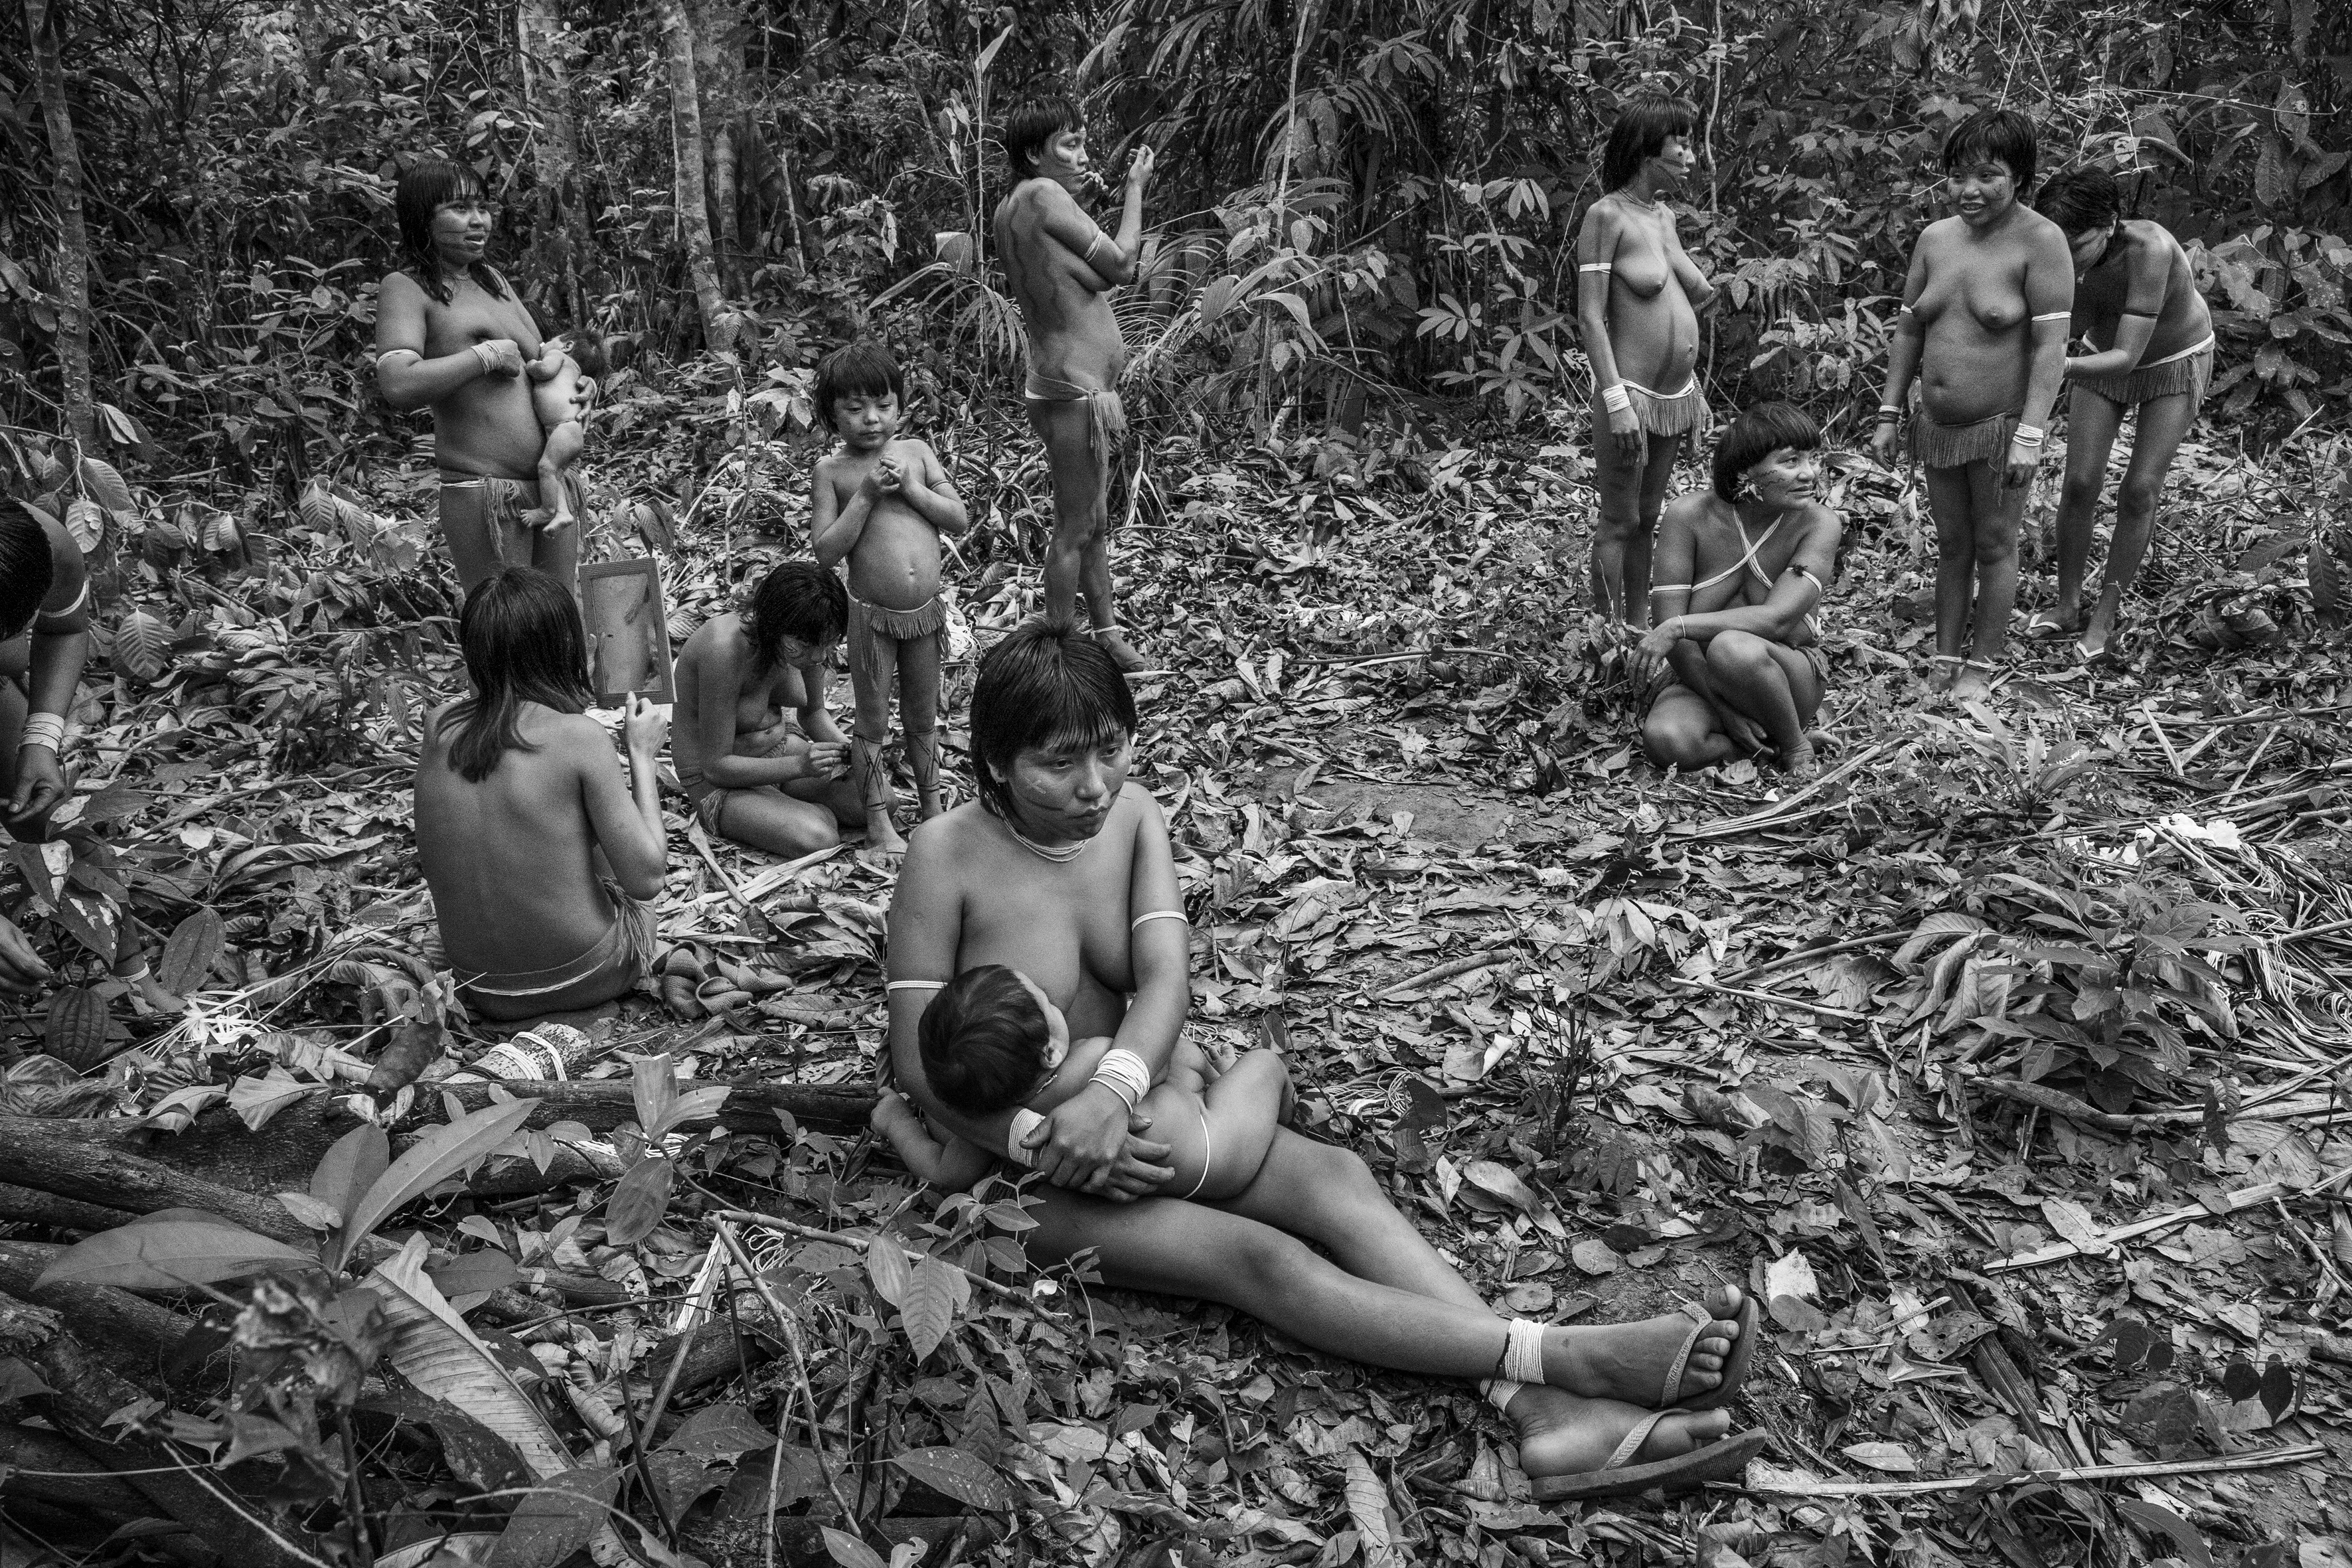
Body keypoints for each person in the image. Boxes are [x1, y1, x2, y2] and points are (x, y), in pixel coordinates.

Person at [884, 621, 1769, 1500]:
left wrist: (1113, 1093)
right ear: (996, 762)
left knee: (1336, 1179)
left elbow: (1163, 981)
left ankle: (1549, 1416)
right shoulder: (944, 855)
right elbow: (919, 1065)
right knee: (1261, 1261)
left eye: (1109, 750)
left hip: (1141, 1111)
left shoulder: (1132, 812)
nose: (1091, 785)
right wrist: (1043, 1138)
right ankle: (1556, 1360)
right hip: (1017, 1172)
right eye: (1056, 764)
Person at [1871, 109, 2073, 704]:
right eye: (1958, 176)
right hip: (1935, 427)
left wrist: (2030, 434)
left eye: (1987, 175)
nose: (1969, 190)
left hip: (1999, 426)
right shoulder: (1935, 239)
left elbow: (2050, 345)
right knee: (1952, 543)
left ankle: (1980, 665)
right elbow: (1909, 331)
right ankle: (1944, 652)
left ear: (2019, 177)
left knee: (1993, 543)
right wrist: (1887, 413)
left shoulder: (2041, 241)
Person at [414, 568, 667, 1023]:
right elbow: (646, 881)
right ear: (563, 646)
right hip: (586, 976)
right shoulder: (579, 737)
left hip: (483, 989)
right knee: (622, 857)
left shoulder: (440, 725)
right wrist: (641, 755)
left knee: (558, 820)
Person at [874, 963, 1293, 1198]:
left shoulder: (992, 1126)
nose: (1056, 1002)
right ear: (1050, 1053)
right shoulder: (1093, 1059)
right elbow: (1162, 1066)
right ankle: (1284, 1116)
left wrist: (896, 1121)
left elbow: (944, 1174)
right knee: (1263, 1064)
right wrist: (1213, 1075)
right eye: (1046, 1000)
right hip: (1217, 1146)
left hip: (1171, 1182)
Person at [992, 92, 1156, 673]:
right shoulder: (1042, 194)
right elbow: (1122, 266)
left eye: (1083, 141)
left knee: (1093, 523)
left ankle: (1106, 634)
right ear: (1035, 154)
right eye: (1071, 143)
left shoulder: (1015, 205)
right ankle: (1057, 661)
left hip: (1060, 382)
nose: (1083, 154)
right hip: (1074, 390)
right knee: (1073, 529)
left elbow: (1085, 279)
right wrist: (1135, 187)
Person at [2026, 166, 2216, 661]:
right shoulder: (2055, 251)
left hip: (2171, 361)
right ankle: (2067, 604)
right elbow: (2056, 326)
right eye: (2057, 243)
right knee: (2080, 482)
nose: (2064, 256)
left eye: (2077, 244)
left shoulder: (2148, 249)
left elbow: (2126, 359)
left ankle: (2104, 616)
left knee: (2138, 490)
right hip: (2097, 354)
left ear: (2109, 224)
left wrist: (2054, 367)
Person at [374, 158, 584, 595]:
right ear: (423, 219)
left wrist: (578, 380)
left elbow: (539, 361)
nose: (478, 221)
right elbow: (397, 382)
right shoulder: (406, 287)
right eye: (459, 208)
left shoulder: (493, 281)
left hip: (550, 488)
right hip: (486, 492)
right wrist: (484, 356)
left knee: (560, 622)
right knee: (506, 631)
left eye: (482, 207)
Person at [809, 341, 969, 856]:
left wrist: (912, 492)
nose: (871, 419)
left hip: (924, 615)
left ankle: (931, 811)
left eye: (882, 405)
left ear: (901, 405)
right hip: (871, 618)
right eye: (854, 410)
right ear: (831, 417)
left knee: (923, 717)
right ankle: (879, 824)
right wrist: (866, 496)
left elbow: (957, 518)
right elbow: (825, 553)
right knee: (872, 720)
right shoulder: (831, 472)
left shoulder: (918, 454)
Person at [1575, 92, 1719, 627]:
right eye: (1679, 141)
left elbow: (1692, 299)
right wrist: (1616, 402)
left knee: (1647, 517)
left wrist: (1693, 383)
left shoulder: (1663, 218)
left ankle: (1637, 627)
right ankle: (1605, 636)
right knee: (1618, 519)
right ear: (1645, 149)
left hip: (1673, 397)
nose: (1690, 154)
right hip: (1629, 393)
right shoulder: (1605, 216)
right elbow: (1590, 318)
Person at [1636, 404, 1840, 779]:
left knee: (1732, 646)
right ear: (1745, 470)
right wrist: (1725, 711)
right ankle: (1762, 745)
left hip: (1788, 675)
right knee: (1666, 741)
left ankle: (1795, 744)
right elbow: (1669, 624)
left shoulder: (1819, 523)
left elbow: (1777, 621)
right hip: (1701, 680)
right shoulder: (1688, 516)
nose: (1810, 474)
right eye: (1791, 461)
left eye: (1814, 459)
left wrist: (1679, 626)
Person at [671, 560, 863, 856]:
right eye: (803, 646)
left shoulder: (812, 636)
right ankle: (785, 811)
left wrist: (852, 752)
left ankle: (784, 807)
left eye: (828, 645)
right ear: (773, 625)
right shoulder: (723, 649)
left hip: (780, 751)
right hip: (718, 779)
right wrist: (800, 767)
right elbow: (716, 766)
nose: (818, 656)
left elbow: (813, 713)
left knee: (879, 800)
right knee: (818, 837)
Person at [0, 507, 91, 997]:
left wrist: (41, 737)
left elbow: (66, 628)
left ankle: (135, 977)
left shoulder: (42, 541)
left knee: (49, 818)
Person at [525, 344, 596, 534]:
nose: (541, 344)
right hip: (564, 429)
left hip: (565, 427)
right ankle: (563, 513)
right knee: (555, 475)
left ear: (567, 345)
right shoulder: (574, 371)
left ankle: (547, 511)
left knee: (546, 468)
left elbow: (544, 370)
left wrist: (531, 364)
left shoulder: (556, 354)